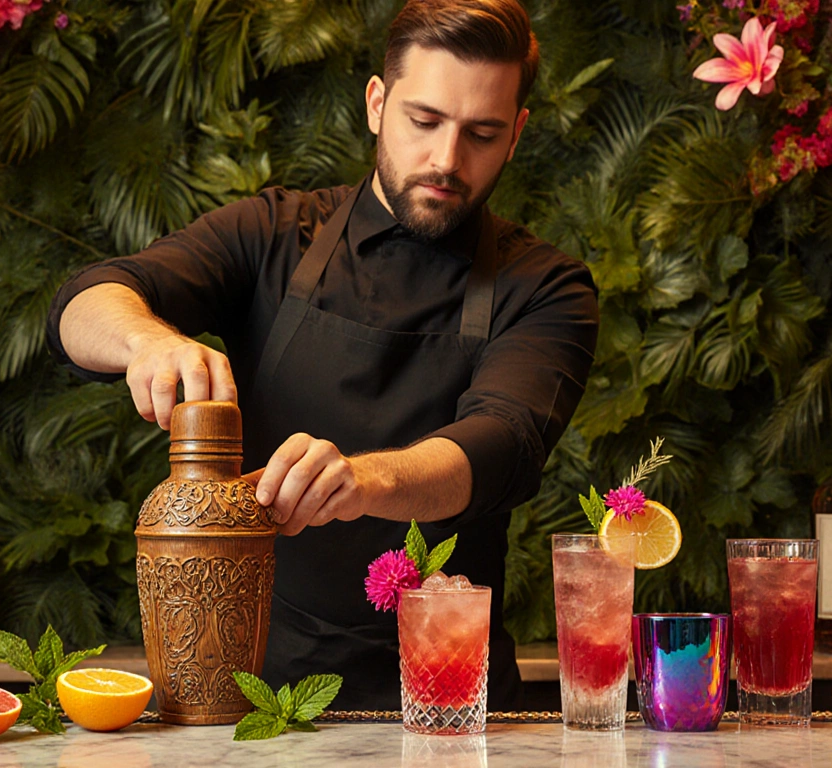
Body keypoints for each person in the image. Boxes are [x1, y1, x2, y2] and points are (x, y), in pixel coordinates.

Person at [46, 0, 598, 710]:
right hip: (256, 704)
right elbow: (87, 301)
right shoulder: (273, 233)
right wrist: (146, 338)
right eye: (423, 122)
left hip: (452, 707)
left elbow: (504, 444)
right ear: (377, 103)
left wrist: (363, 482)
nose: (446, 160)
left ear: (517, 133)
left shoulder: (545, 285)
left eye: (482, 134)